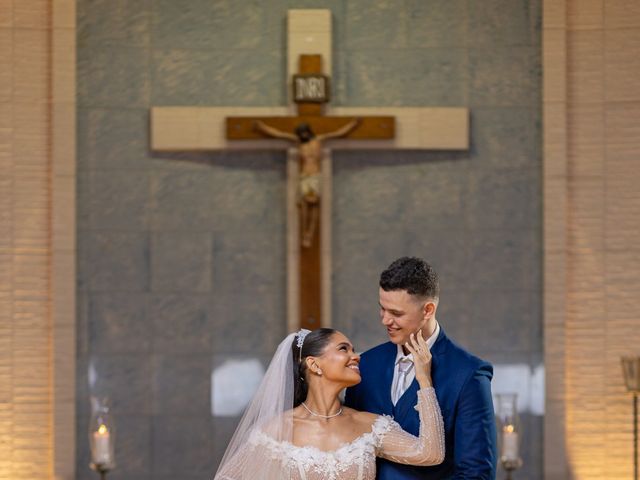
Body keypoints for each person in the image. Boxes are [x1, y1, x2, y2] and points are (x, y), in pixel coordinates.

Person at [214, 327, 445, 479]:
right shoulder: (277, 429)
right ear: (314, 365)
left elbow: (431, 453)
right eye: (344, 349)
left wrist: (424, 379)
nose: (356, 356)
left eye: (353, 349)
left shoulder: (370, 425)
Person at [345, 257, 497, 479]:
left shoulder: (468, 374)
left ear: (428, 309)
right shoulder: (366, 364)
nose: (385, 320)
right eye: (382, 309)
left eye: (396, 313)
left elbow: (476, 473)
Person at [254, 119, 359, 247]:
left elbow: (338, 133)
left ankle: (310, 232)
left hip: (315, 176)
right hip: (304, 176)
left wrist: (353, 125)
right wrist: (262, 127)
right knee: (303, 205)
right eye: (301, 133)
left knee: (314, 204)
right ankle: (305, 232)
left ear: (309, 131)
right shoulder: (298, 142)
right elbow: (278, 134)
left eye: (305, 132)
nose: (303, 135)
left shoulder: (319, 140)